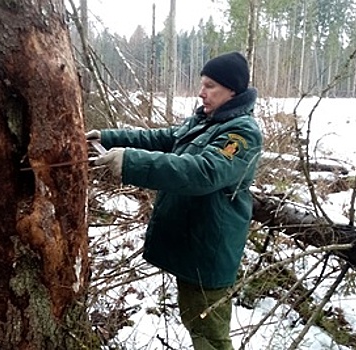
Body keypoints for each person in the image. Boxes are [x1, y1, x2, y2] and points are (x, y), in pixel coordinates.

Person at [86, 51, 263, 349]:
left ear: (232, 90)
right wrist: (108, 137)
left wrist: (130, 163)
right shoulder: (207, 120)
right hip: (194, 246)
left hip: (210, 251)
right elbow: (161, 139)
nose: (201, 92)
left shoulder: (241, 133)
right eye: (202, 84)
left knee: (210, 335)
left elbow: (203, 172)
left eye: (210, 86)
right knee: (197, 322)